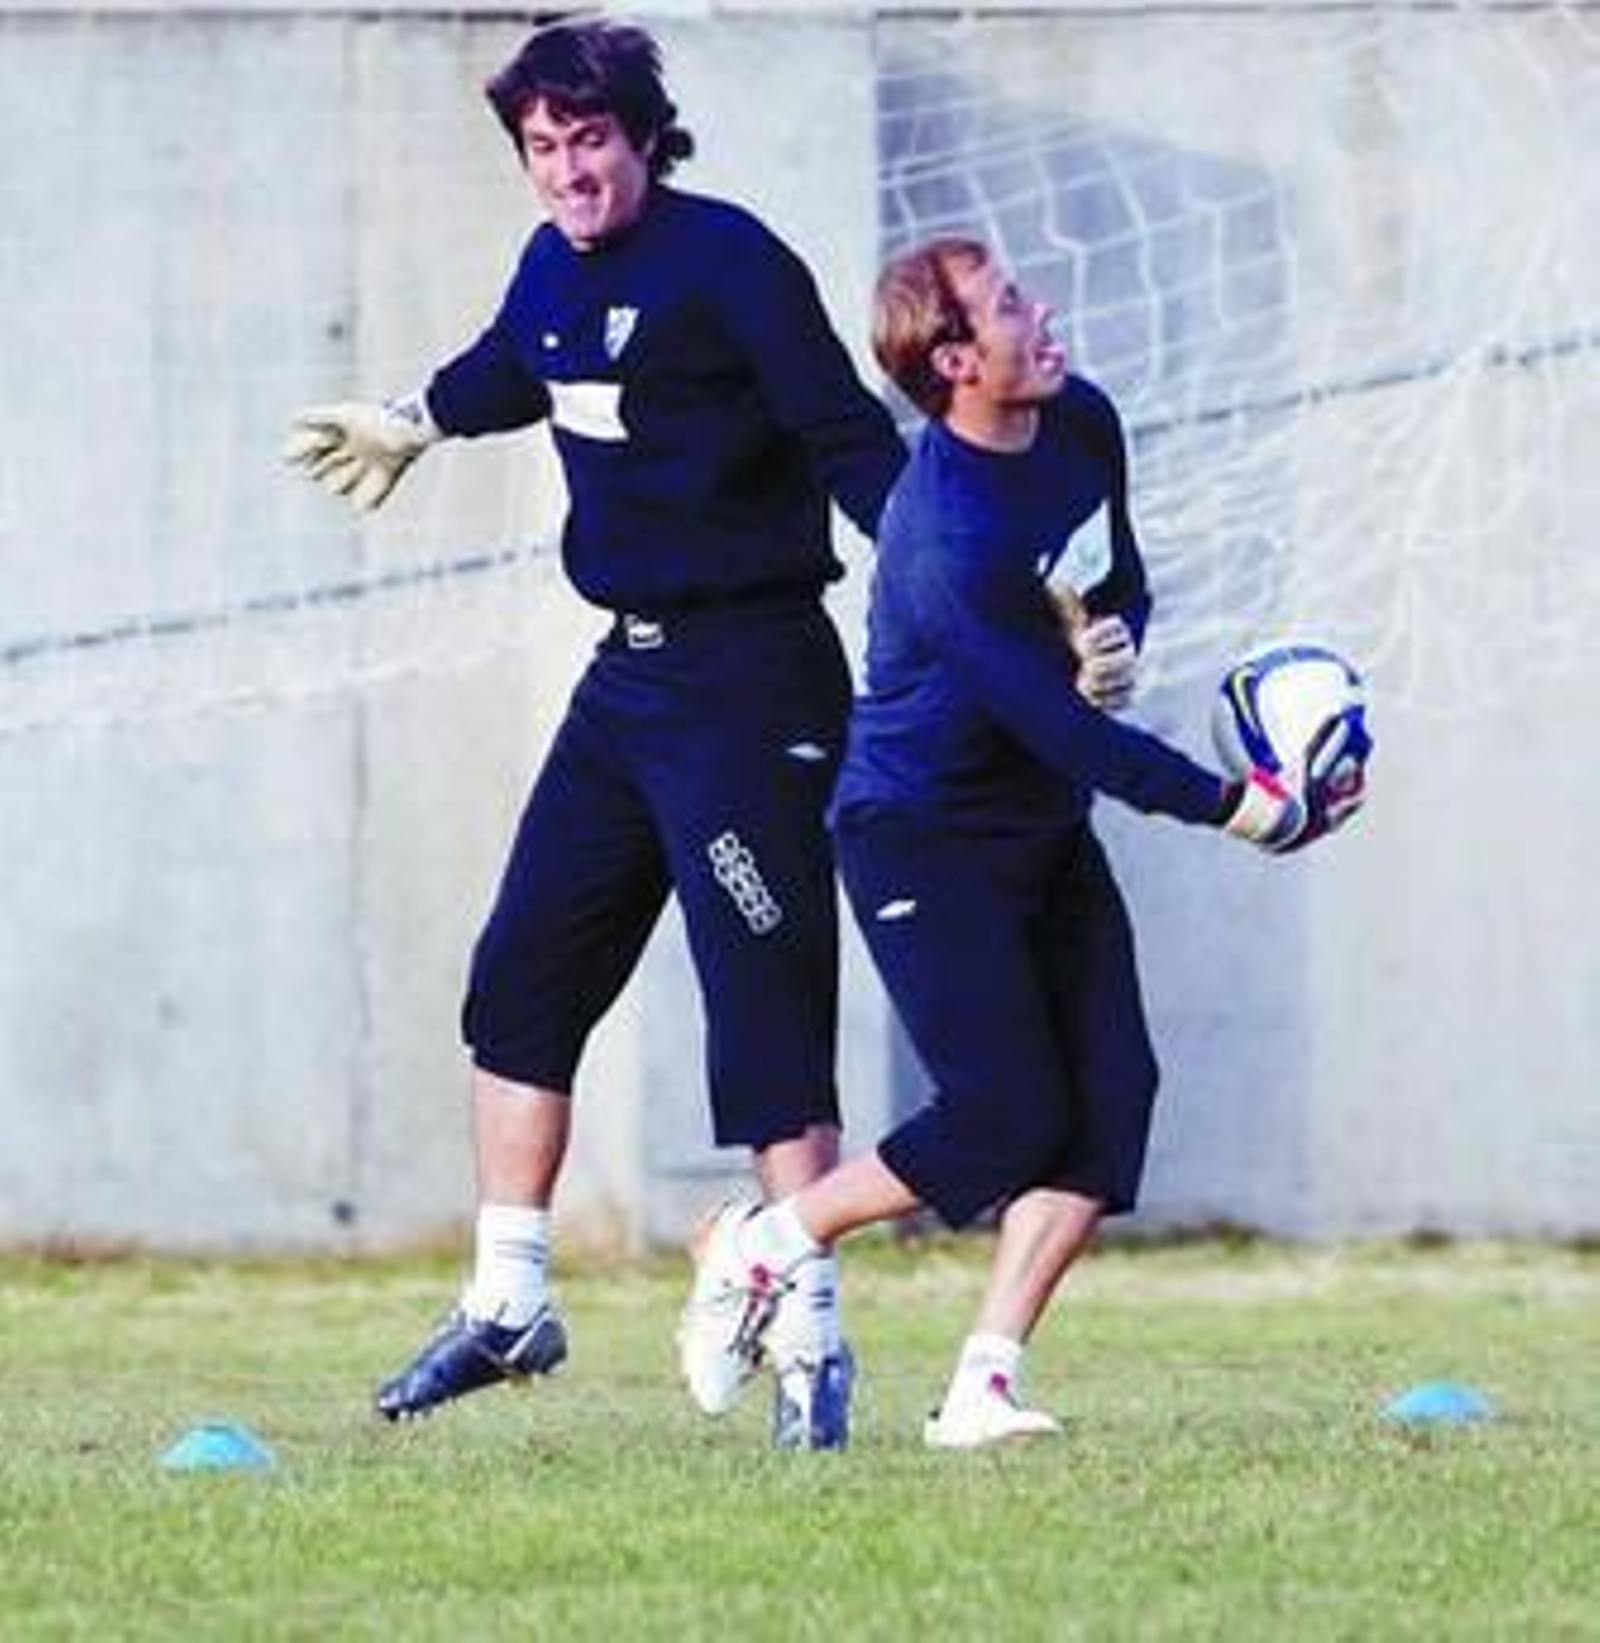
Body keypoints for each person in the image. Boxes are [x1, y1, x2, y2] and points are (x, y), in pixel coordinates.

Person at [284, 17, 905, 1451]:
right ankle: (510, 1299)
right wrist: (415, 416)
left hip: (754, 680)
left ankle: (810, 1338)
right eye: (543, 147)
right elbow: (518, 360)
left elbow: (846, 440)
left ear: (643, 137)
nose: (568, 169)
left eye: (590, 140)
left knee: (763, 1016)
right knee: (520, 980)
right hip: (625, 685)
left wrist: (957, 574)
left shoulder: (731, 260)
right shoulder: (550, 268)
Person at [677, 235, 1363, 1449]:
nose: (1040, 315)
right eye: (1005, 307)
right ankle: (765, 1239)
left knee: (1109, 1102)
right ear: (952, 361)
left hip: (1038, 822)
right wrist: (1246, 807)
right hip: (919, 839)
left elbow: (1118, 583)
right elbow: (1070, 735)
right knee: (999, 1114)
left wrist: (1114, 640)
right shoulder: (939, 535)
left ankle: (980, 1385)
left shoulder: (1080, 420)